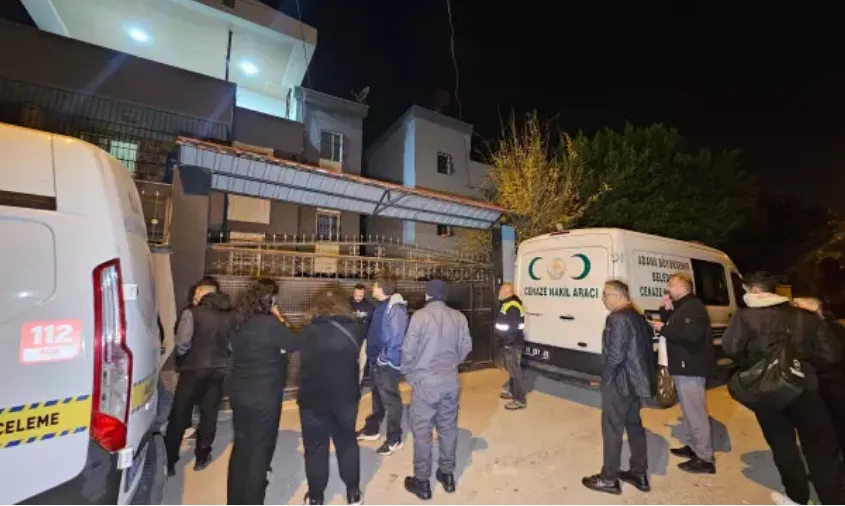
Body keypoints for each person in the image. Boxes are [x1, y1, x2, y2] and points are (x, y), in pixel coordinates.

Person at [723, 273, 845, 505]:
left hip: (766, 388)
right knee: (820, 447)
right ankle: (834, 500)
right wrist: (803, 364)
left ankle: (797, 497)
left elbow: (731, 348)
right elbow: (831, 354)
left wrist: (754, 363)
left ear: (755, 291)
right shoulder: (805, 316)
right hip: (806, 388)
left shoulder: (744, 317)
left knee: (782, 444)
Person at [226, 278, 298, 505]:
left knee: (241, 445)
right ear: (269, 300)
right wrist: (279, 317)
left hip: (239, 392)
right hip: (265, 395)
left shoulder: (238, 322)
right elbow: (294, 343)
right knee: (260, 448)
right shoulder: (271, 324)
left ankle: (235, 500)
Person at [402, 279, 473, 500]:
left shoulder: (419, 317)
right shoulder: (459, 317)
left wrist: (410, 375)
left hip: (425, 383)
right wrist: (451, 366)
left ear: (428, 295)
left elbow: (408, 351)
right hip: (450, 381)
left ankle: (422, 482)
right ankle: (447, 475)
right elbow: (466, 347)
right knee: (448, 428)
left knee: (422, 433)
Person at [582, 280, 655, 495]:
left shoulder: (618, 318)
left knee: (612, 430)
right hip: (634, 383)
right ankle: (639, 473)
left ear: (618, 296)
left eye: (605, 295)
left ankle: (609, 479)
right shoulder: (636, 315)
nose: (603, 299)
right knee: (634, 426)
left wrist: (605, 380)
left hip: (619, 383)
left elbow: (615, 355)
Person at [297, 287, 365, 505]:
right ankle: (353, 493)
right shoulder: (355, 328)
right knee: (347, 442)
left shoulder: (307, 330)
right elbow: (360, 360)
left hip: (313, 397)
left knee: (315, 447)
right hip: (345, 396)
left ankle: (316, 496)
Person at [164, 278, 233, 475]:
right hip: (218, 369)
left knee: (180, 413)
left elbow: (182, 343)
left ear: (203, 293)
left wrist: (183, 359)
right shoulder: (229, 315)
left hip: (193, 369)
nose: (194, 297)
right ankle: (202, 456)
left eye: (196, 293)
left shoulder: (191, 313)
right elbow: (231, 345)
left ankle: (170, 460)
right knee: (209, 414)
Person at [651, 272, 716, 474]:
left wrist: (664, 328)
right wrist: (666, 309)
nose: (668, 288)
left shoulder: (694, 307)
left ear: (683, 287)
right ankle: (694, 446)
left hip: (691, 366)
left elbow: (691, 335)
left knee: (695, 412)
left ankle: (704, 458)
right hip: (683, 366)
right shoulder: (683, 306)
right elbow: (674, 324)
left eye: (671, 284)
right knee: (688, 410)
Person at [356, 274, 409, 457]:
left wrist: (383, 359)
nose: (372, 288)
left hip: (385, 364)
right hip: (376, 362)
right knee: (377, 398)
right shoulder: (381, 306)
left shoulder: (396, 309)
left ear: (382, 288)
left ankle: (395, 439)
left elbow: (396, 339)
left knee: (391, 401)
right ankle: (372, 429)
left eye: (374, 285)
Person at [792, 297, 845, 456]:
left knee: (831, 425)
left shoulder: (815, 327)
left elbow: (831, 356)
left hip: (827, 382)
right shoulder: (833, 325)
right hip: (834, 381)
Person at [494, 282, 527, 410]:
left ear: (507, 292)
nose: (499, 292)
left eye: (501, 290)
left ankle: (519, 400)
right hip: (510, 344)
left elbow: (513, 329)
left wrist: (508, 342)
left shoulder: (512, 306)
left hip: (512, 344)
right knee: (512, 371)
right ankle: (513, 392)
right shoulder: (508, 304)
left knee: (515, 372)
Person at [350, 283, 376, 384]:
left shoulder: (369, 307)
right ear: (353, 292)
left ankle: (358, 385)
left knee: (361, 366)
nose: (358, 297)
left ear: (364, 294)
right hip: (349, 340)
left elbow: (373, 324)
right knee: (349, 365)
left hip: (363, 340)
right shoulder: (347, 304)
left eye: (360, 296)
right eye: (356, 295)